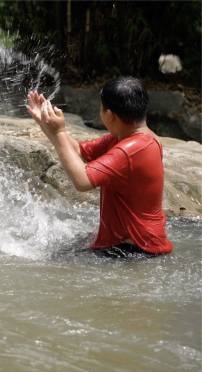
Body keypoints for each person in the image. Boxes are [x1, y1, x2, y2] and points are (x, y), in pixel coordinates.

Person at [26, 76, 172, 257]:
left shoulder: (132, 149)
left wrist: (60, 131)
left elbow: (82, 180)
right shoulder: (126, 138)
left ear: (110, 116)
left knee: (47, 264)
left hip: (137, 251)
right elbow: (79, 151)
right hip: (130, 245)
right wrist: (46, 123)